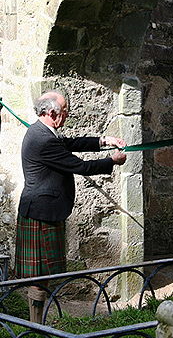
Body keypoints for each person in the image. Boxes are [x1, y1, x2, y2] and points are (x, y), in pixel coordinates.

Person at [14, 91, 127, 323]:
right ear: (53, 113)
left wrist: (105, 141)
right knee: (39, 276)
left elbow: (71, 142)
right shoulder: (43, 140)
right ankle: (36, 326)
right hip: (40, 215)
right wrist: (112, 161)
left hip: (43, 212)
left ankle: (38, 324)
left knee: (41, 276)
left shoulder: (42, 131)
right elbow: (81, 166)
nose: (67, 116)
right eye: (65, 112)